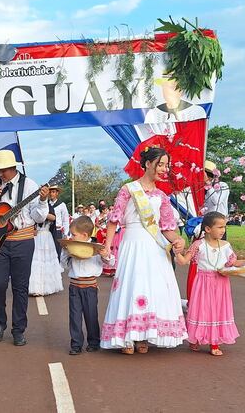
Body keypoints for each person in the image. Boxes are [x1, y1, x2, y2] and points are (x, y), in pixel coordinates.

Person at [100, 146, 187, 354]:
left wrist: (178, 241)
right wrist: (107, 247)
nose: (165, 169)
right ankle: (127, 337)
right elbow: (114, 220)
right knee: (132, 285)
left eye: (167, 165)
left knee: (152, 287)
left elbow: (167, 227)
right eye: (161, 164)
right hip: (132, 243)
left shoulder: (163, 196)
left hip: (155, 248)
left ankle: (144, 335)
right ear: (148, 164)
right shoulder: (128, 190)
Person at [0, 149, 49, 346]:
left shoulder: (29, 185)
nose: (0, 174)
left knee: (20, 287)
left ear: (13, 168)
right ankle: (0, 322)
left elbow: (39, 217)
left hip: (23, 241)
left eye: (3, 170)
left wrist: (42, 201)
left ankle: (18, 329)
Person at [175, 211, 245, 356]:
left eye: (224, 227)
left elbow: (233, 262)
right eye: (219, 227)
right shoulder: (198, 245)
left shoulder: (226, 246)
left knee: (218, 310)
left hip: (221, 283)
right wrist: (176, 252)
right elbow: (184, 261)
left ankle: (214, 342)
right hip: (203, 283)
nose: (223, 230)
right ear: (207, 229)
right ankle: (195, 339)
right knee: (202, 309)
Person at [61, 216, 114, 355]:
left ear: (84, 235)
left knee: (91, 315)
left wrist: (105, 255)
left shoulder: (96, 247)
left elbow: (111, 262)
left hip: (90, 287)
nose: (71, 237)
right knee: (75, 316)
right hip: (74, 286)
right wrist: (66, 252)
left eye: (73, 234)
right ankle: (76, 344)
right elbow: (63, 265)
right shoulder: (71, 247)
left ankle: (94, 341)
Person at [29, 202, 63, 297]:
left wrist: (43, 212)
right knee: (35, 261)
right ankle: (35, 288)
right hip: (35, 236)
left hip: (46, 236)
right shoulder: (33, 206)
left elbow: (53, 218)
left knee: (47, 261)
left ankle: (49, 287)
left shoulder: (49, 206)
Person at [47, 185, 70, 256]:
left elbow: (65, 220)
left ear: (57, 193)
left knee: (57, 250)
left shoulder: (62, 205)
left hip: (57, 231)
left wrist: (66, 234)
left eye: (53, 192)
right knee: (48, 250)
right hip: (48, 230)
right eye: (50, 192)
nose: (51, 194)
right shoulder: (46, 204)